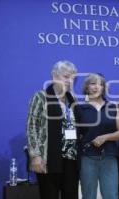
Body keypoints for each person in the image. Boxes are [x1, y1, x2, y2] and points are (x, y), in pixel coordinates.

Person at [26, 60, 79, 199]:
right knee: (49, 195)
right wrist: (35, 155)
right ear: (55, 76)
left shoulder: (72, 98)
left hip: (71, 159)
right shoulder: (40, 96)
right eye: (66, 77)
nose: (70, 81)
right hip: (47, 158)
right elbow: (32, 127)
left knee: (71, 194)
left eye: (73, 78)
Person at [77, 73, 119, 199]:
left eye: (100, 84)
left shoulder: (113, 107)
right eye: (93, 83)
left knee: (111, 195)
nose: (96, 87)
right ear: (86, 87)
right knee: (88, 196)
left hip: (109, 157)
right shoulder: (79, 109)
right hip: (87, 158)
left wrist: (105, 137)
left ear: (104, 88)